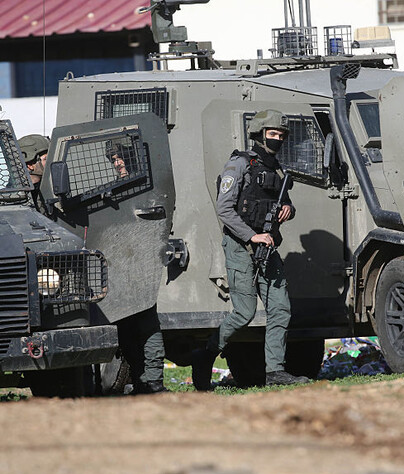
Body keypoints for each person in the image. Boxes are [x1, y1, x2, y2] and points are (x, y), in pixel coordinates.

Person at [192, 109, 310, 390]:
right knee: (244, 313)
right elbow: (224, 209)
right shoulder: (239, 164)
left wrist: (288, 209)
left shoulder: (276, 169)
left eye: (282, 135)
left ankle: (275, 371)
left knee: (281, 309)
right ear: (259, 134)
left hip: (268, 247)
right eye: (273, 133)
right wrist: (252, 236)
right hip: (241, 247)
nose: (278, 139)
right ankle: (207, 353)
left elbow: (285, 202)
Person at [108, 140, 168, 394]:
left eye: (121, 157)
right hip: (118, 268)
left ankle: (154, 380)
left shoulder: (147, 187)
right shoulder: (112, 190)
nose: (117, 163)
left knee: (147, 325)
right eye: (113, 159)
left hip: (142, 267)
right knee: (125, 330)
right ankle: (141, 380)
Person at [18, 134, 50, 215]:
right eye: (46, 159)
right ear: (30, 165)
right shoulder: (18, 195)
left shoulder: (47, 185)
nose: (51, 161)